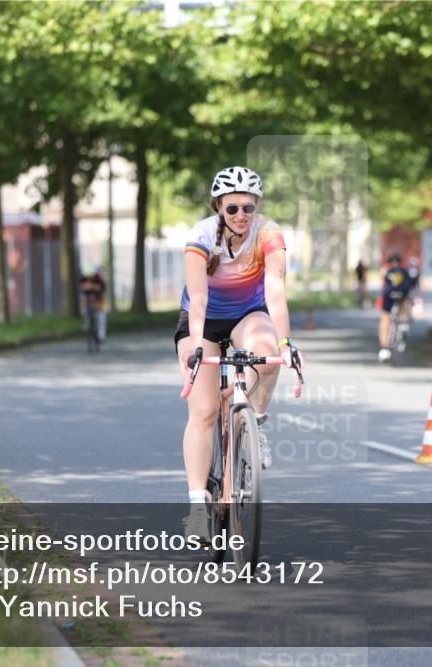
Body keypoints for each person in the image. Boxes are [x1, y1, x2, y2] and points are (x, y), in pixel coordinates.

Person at [175, 166, 302, 540]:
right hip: (203, 321)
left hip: (248, 314)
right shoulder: (200, 237)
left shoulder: (269, 233)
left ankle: (254, 421)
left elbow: (275, 289)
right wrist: (197, 343)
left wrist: (286, 344)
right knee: (203, 411)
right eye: (232, 209)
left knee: (267, 350)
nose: (241, 216)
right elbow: (197, 298)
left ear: (257, 205)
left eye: (248, 207)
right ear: (218, 207)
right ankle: (198, 507)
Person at [377, 254, 413, 362]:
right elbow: (409, 287)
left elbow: (383, 285)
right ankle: (403, 323)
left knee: (385, 317)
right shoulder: (404, 271)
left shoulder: (385, 271)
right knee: (403, 303)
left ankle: (384, 347)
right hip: (402, 294)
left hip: (389, 295)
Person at [79, 269, 106, 342]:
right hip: (87, 299)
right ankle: (86, 324)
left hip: (98, 298)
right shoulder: (83, 278)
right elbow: (82, 289)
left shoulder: (98, 278)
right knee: (84, 308)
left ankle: (101, 336)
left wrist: (93, 287)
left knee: (101, 317)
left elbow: (102, 289)